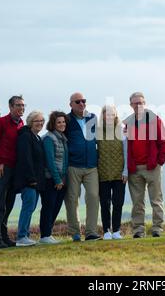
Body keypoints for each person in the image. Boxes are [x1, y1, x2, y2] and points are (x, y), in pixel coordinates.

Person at [123, 92, 165, 238]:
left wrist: (160, 161)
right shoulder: (127, 122)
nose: (139, 105)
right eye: (136, 103)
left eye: (141, 102)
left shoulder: (154, 120)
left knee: (156, 199)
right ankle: (138, 231)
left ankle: (157, 229)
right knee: (137, 202)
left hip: (152, 166)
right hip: (134, 168)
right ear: (131, 105)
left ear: (145, 103)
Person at [0, 95, 25, 249]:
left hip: (15, 170)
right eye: (18, 105)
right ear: (10, 107)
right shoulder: (0, 122)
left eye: (23, 105)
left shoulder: (21, 124)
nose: (21, 108)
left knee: (9, 204)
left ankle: (4, 237)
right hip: (2, 169)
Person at [65, 93, 102, 241]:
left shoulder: (92, 117)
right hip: (73, 165)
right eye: (78, 101)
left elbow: (99, 138)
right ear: (71, 104)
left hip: (92, 166)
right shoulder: (66, 120)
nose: (82, 104)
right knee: (72, 199)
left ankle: (91, 232)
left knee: (93, 197)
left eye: (84, 101)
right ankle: (75, 233)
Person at [14, 111, 46, 247]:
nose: (40, 123)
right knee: (27, 207)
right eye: (36, 121)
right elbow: (25, 159)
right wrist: (31, 179)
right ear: (30, 122)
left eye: (42, 120)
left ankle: (25, 235)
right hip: (29, 181)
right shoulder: (26, 136)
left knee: (31, 207)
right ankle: (21, 236)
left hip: (36, 181)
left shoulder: (37, 137)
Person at [97, 105, 128, 240]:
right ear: (102, 115)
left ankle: (116, 230)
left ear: (116, 116)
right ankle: (106, 231)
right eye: (106, 114)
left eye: (112, 114)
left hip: (119, 174)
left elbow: (126, 153)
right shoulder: (97, 132)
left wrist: (126, 171)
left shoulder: (121, 132)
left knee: (118, 202)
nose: (109, 117)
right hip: (102, 174)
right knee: (104, 203)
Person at [40, 111, 69, 244]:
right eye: (59, 122)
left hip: (61, 180)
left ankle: (48, 234)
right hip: (50, 179)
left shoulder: (63, 137)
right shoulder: (48, 138)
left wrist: (63, 179)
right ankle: (44, 235)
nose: (62, 124)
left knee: (56, 206)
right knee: (48, 206)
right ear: (53, 124)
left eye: (63, 122)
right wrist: (57, 180)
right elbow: (50, 161)